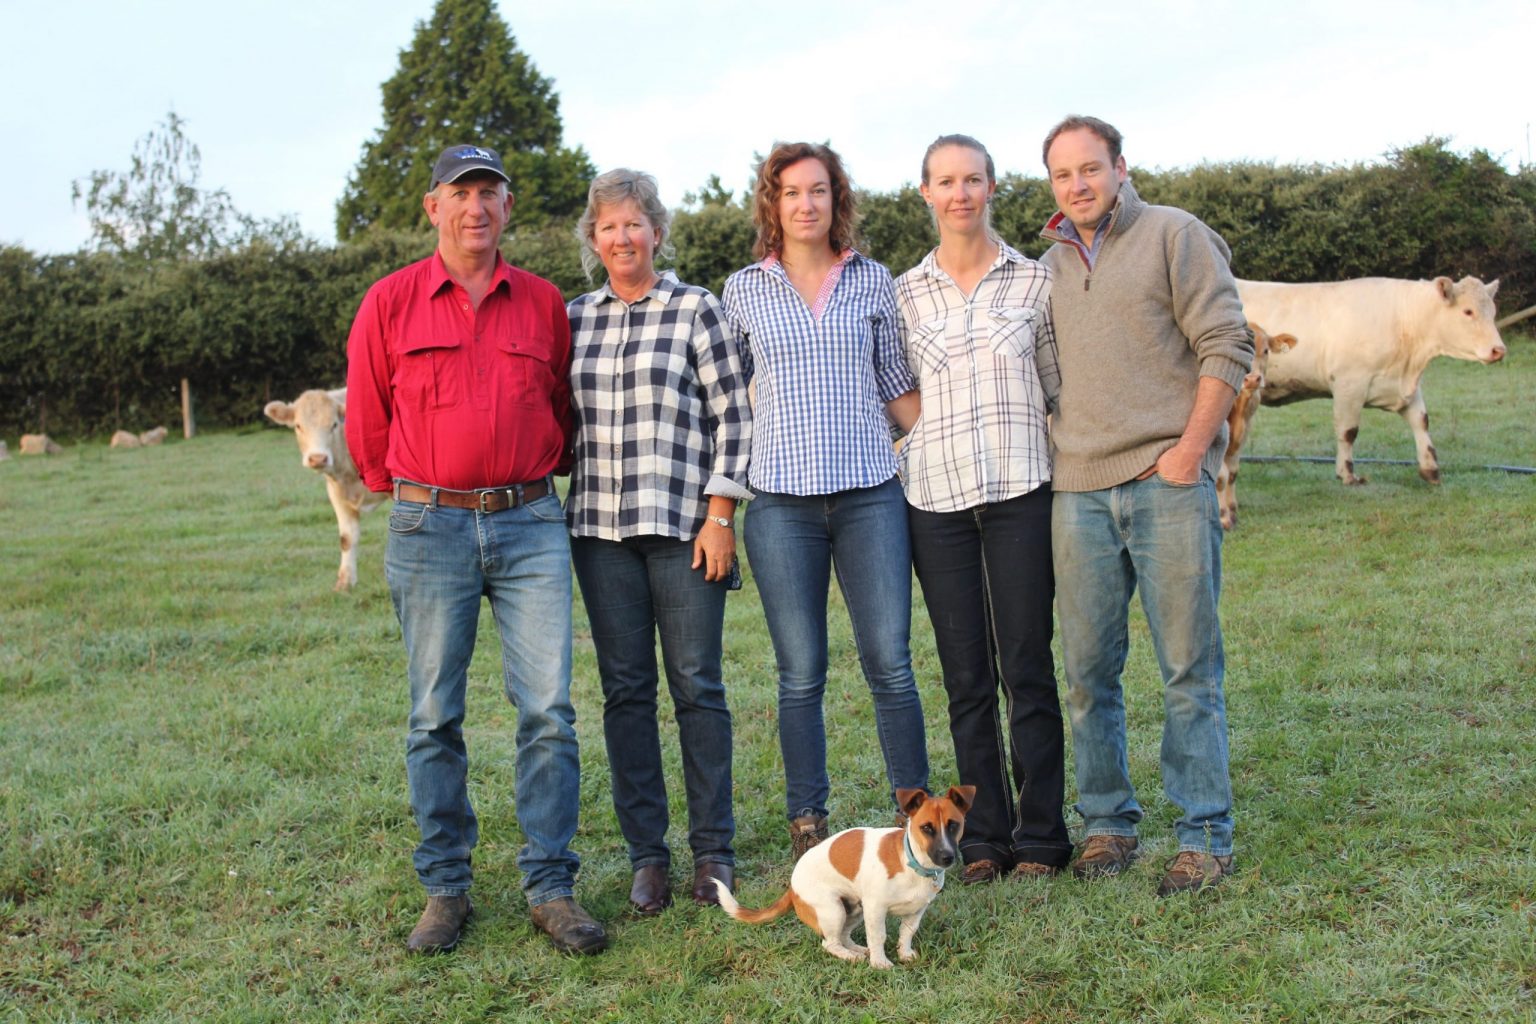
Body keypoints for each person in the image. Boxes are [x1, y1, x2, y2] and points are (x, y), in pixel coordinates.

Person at [345, 144, 607, 954]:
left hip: (530, 524)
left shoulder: (541, 305)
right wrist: (424, 488)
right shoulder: (388, 303)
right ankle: (445, 889)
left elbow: (564, 409)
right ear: (434, 209)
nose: (476, 209)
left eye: (489, 194)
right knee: (433, 716)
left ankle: (550, 886)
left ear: (508, 207)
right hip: (430, 527)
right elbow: (368, 425)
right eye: (460, 195)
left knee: (549, 713)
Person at [1038, 116, 1253, 895]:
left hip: (1167, 482)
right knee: (1088, 673)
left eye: (1091, 169)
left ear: (1121, 168)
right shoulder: (1048, 267)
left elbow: (1228, 343)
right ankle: (1107, 825)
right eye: (1063, 175)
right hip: (1079, 492)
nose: (1079, 185)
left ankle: (1202, 833)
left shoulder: (1175, 234)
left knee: (1188, 667)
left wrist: (1190, 453)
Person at [720, 141, 928, 862]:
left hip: (871, 495)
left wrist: (951, 437)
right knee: (800, 668)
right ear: (772, 206)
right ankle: (808, 815)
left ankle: (917, 813)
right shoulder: (743, 290)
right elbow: (729, 399)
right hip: (780, 505)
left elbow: (898, 387)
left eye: (818, 190)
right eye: (790, 193)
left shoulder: (875, 282)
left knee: (889, 662)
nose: (806, 204)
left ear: (838, 199)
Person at [565, 169, 753, 914]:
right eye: (607, 226)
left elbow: (734, 418)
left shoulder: (695, 310)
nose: (621, 238)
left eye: (633, 223)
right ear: (593, 238)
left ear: (656, 231)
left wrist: (720, 516)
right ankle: (648, 855)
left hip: (684, 531)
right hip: (599, 535)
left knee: (697, 689)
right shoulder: (576, 318)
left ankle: (713, 852)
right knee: (625, 694)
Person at [894, 135, 1071, 885]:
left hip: (1021, 492)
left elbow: (1060, 388)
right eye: (945, 181)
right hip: (935, 501)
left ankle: (1042, 835)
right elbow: (895, 393)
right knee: (966, 677)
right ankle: (983, 838)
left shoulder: (1035, 283)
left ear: (993, 187)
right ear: (926, 193)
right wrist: (921, 438)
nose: (960, 193)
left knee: (1026, 667)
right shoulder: (903, 294)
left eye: (973, 179)